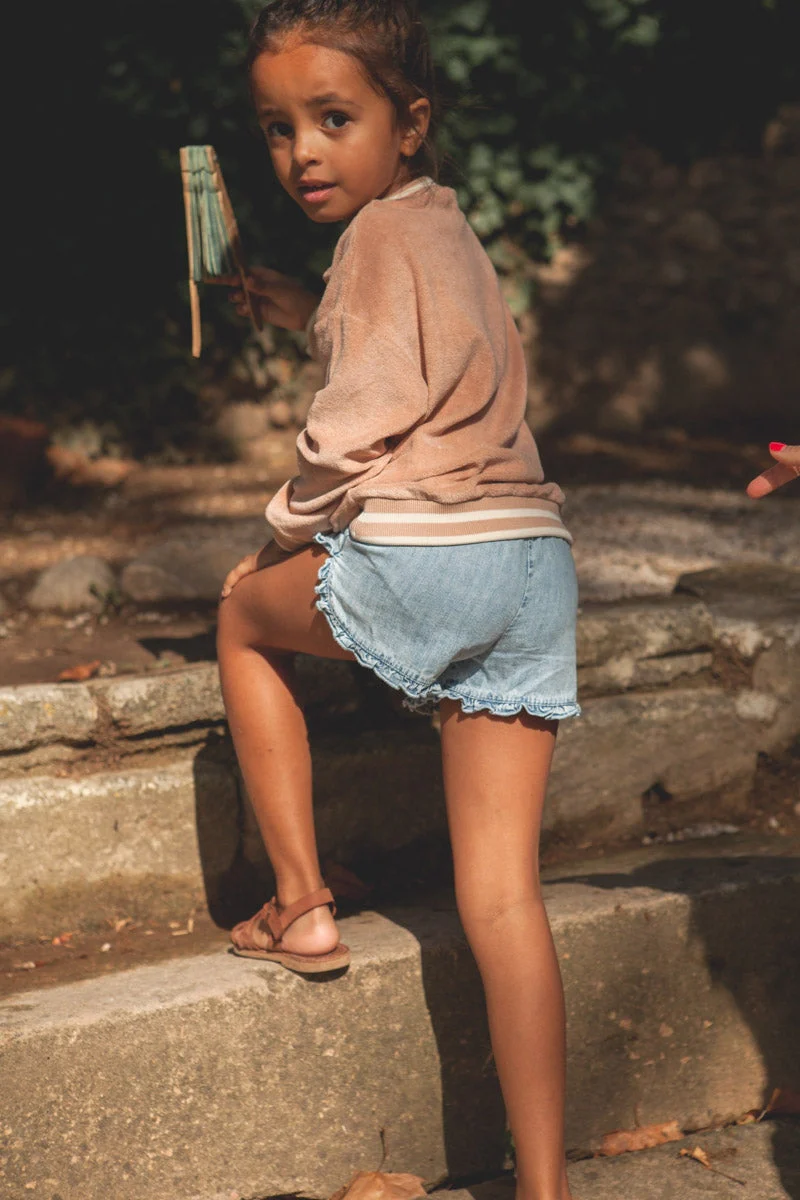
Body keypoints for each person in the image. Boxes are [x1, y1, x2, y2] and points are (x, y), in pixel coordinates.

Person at [216, 4, 580, 1198]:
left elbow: (355, 424)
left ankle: (299, 903)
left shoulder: (373, 237)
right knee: (503, 897)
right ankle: (544, 1187)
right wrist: (297, 309)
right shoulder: (441, 228)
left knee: (240, 617)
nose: (302, 152)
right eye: (278, 129)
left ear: (409, 123)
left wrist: (277, 533)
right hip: (529, 561)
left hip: (431, 556)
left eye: (333, 118)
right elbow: (418, 355)